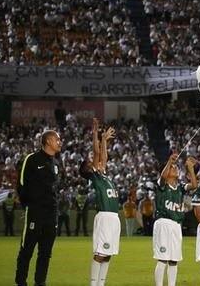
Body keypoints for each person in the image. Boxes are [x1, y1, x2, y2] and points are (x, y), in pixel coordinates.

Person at [14, 129, 62, 286]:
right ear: (48, 141)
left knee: (46, 253)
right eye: (57, 139)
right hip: (35, 212)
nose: (59, 142)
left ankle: (40, 282)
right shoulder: (32, 159)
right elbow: (21, 184)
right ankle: (21, 282)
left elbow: (53, 189)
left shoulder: (56, 162)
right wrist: (28, 206)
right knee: (27, 250)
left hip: (52, 213)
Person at [80, 118, 119, 286]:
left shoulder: (103, 176)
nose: (98, 162)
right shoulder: (95, 176)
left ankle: (101, 283)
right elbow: (97, 154)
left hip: (114, 217)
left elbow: (103, 156)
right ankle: (93, 283)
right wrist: (97, 134)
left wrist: (104, 141)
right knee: (100, 253)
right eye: (92, 163)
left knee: (108, 253)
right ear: (90, 169)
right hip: (104, 216)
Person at [153, 152, 198, 286]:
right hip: (164, 222)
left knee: (174, 259)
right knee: (162, 259)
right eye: (173, 168)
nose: (176, 168)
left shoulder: (179, 187)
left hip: (176, 225)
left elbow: (194, 185)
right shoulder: (162, 184)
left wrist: (190, 168)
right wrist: (169, 161)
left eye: (176, 167)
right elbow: (162, 177)